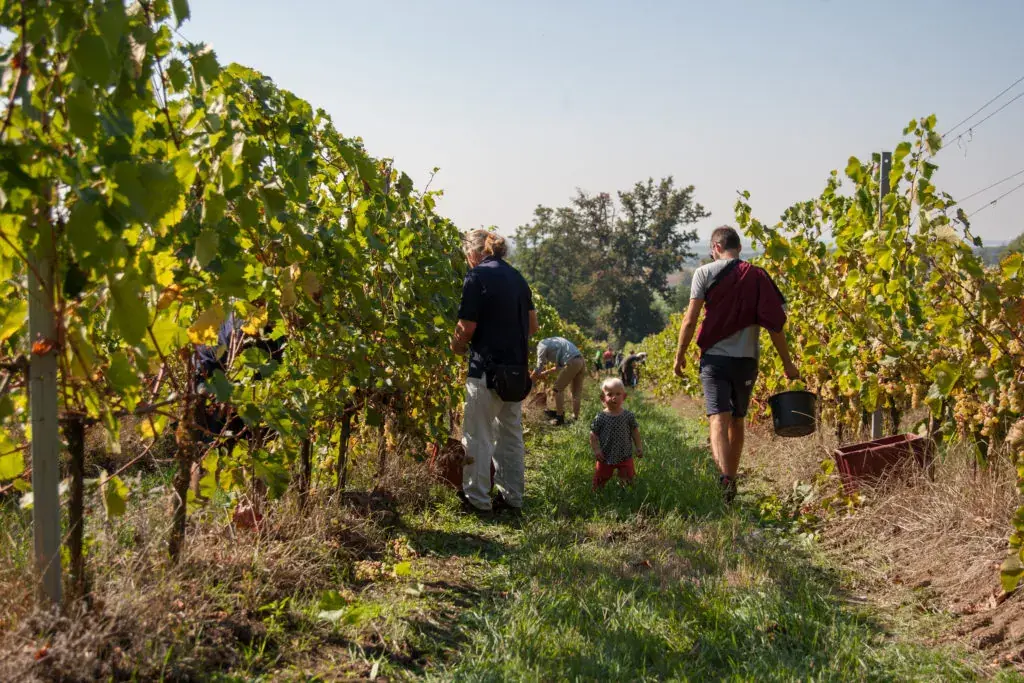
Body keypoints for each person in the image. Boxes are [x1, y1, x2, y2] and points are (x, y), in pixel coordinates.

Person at [672, 226, 800, 503]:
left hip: (715, 359)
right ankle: (732, 476)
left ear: (716, 247)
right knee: (738, 419)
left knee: (718, 417)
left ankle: (725, 477)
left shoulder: (704, 273)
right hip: (747, 360)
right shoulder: (757, 275)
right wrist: (788, 364)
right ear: (739, 248)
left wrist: (680, 354)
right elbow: (775, 324)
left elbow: (690, 319)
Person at [451, 229, 539, 515]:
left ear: (474, 253)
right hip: (515, 372)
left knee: (478, 435)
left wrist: (457, 344)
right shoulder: (518, 278)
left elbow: (467, 327)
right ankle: (512, 499)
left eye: (467, 255)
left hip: (485, 369)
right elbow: (533, 326)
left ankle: (478, 500)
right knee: (510, 436)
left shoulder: (476, 277)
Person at [590, 378, 643, 489]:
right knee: (600, 478)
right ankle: (597, 493)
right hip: (605, 455)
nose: (614, 397)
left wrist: (639, 447)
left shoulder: (628, 416)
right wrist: (596, 450)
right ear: (602, 398)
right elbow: (593, 434)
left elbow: (635, 431)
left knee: (628, 477)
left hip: (625, 454)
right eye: (609, 394)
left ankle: (627, 492)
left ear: (624, 397)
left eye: (618, 394)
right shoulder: (600, 417)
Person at [531, 336, 585, 426]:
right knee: (576, 393)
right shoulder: (555, 343)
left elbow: (539, 364)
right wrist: (545, 373)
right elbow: (558, 367)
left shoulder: (541, 345)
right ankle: (575, 418)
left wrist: (531, 379)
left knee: (557, 389)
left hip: (572, 361)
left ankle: (559, 418)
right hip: (581, 361)